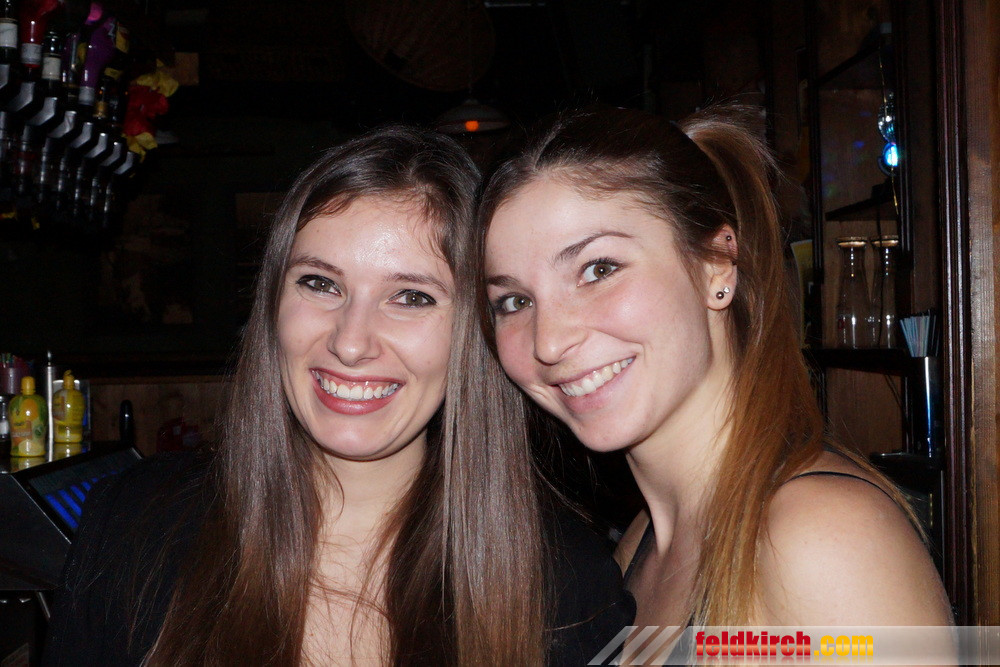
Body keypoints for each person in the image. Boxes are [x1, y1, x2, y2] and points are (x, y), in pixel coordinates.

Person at [43, 125, 633, 666]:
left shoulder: (568, 585)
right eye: (320, 283)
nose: (350, 343)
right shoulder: (133, 525)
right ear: (272, 305)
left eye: (411, 297)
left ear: (473, 334)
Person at [475, 105, 953, 643]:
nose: (548, 341)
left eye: (599, 269)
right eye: (515, 301)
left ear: (716, 265)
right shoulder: (645, 541)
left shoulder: (822, 537)